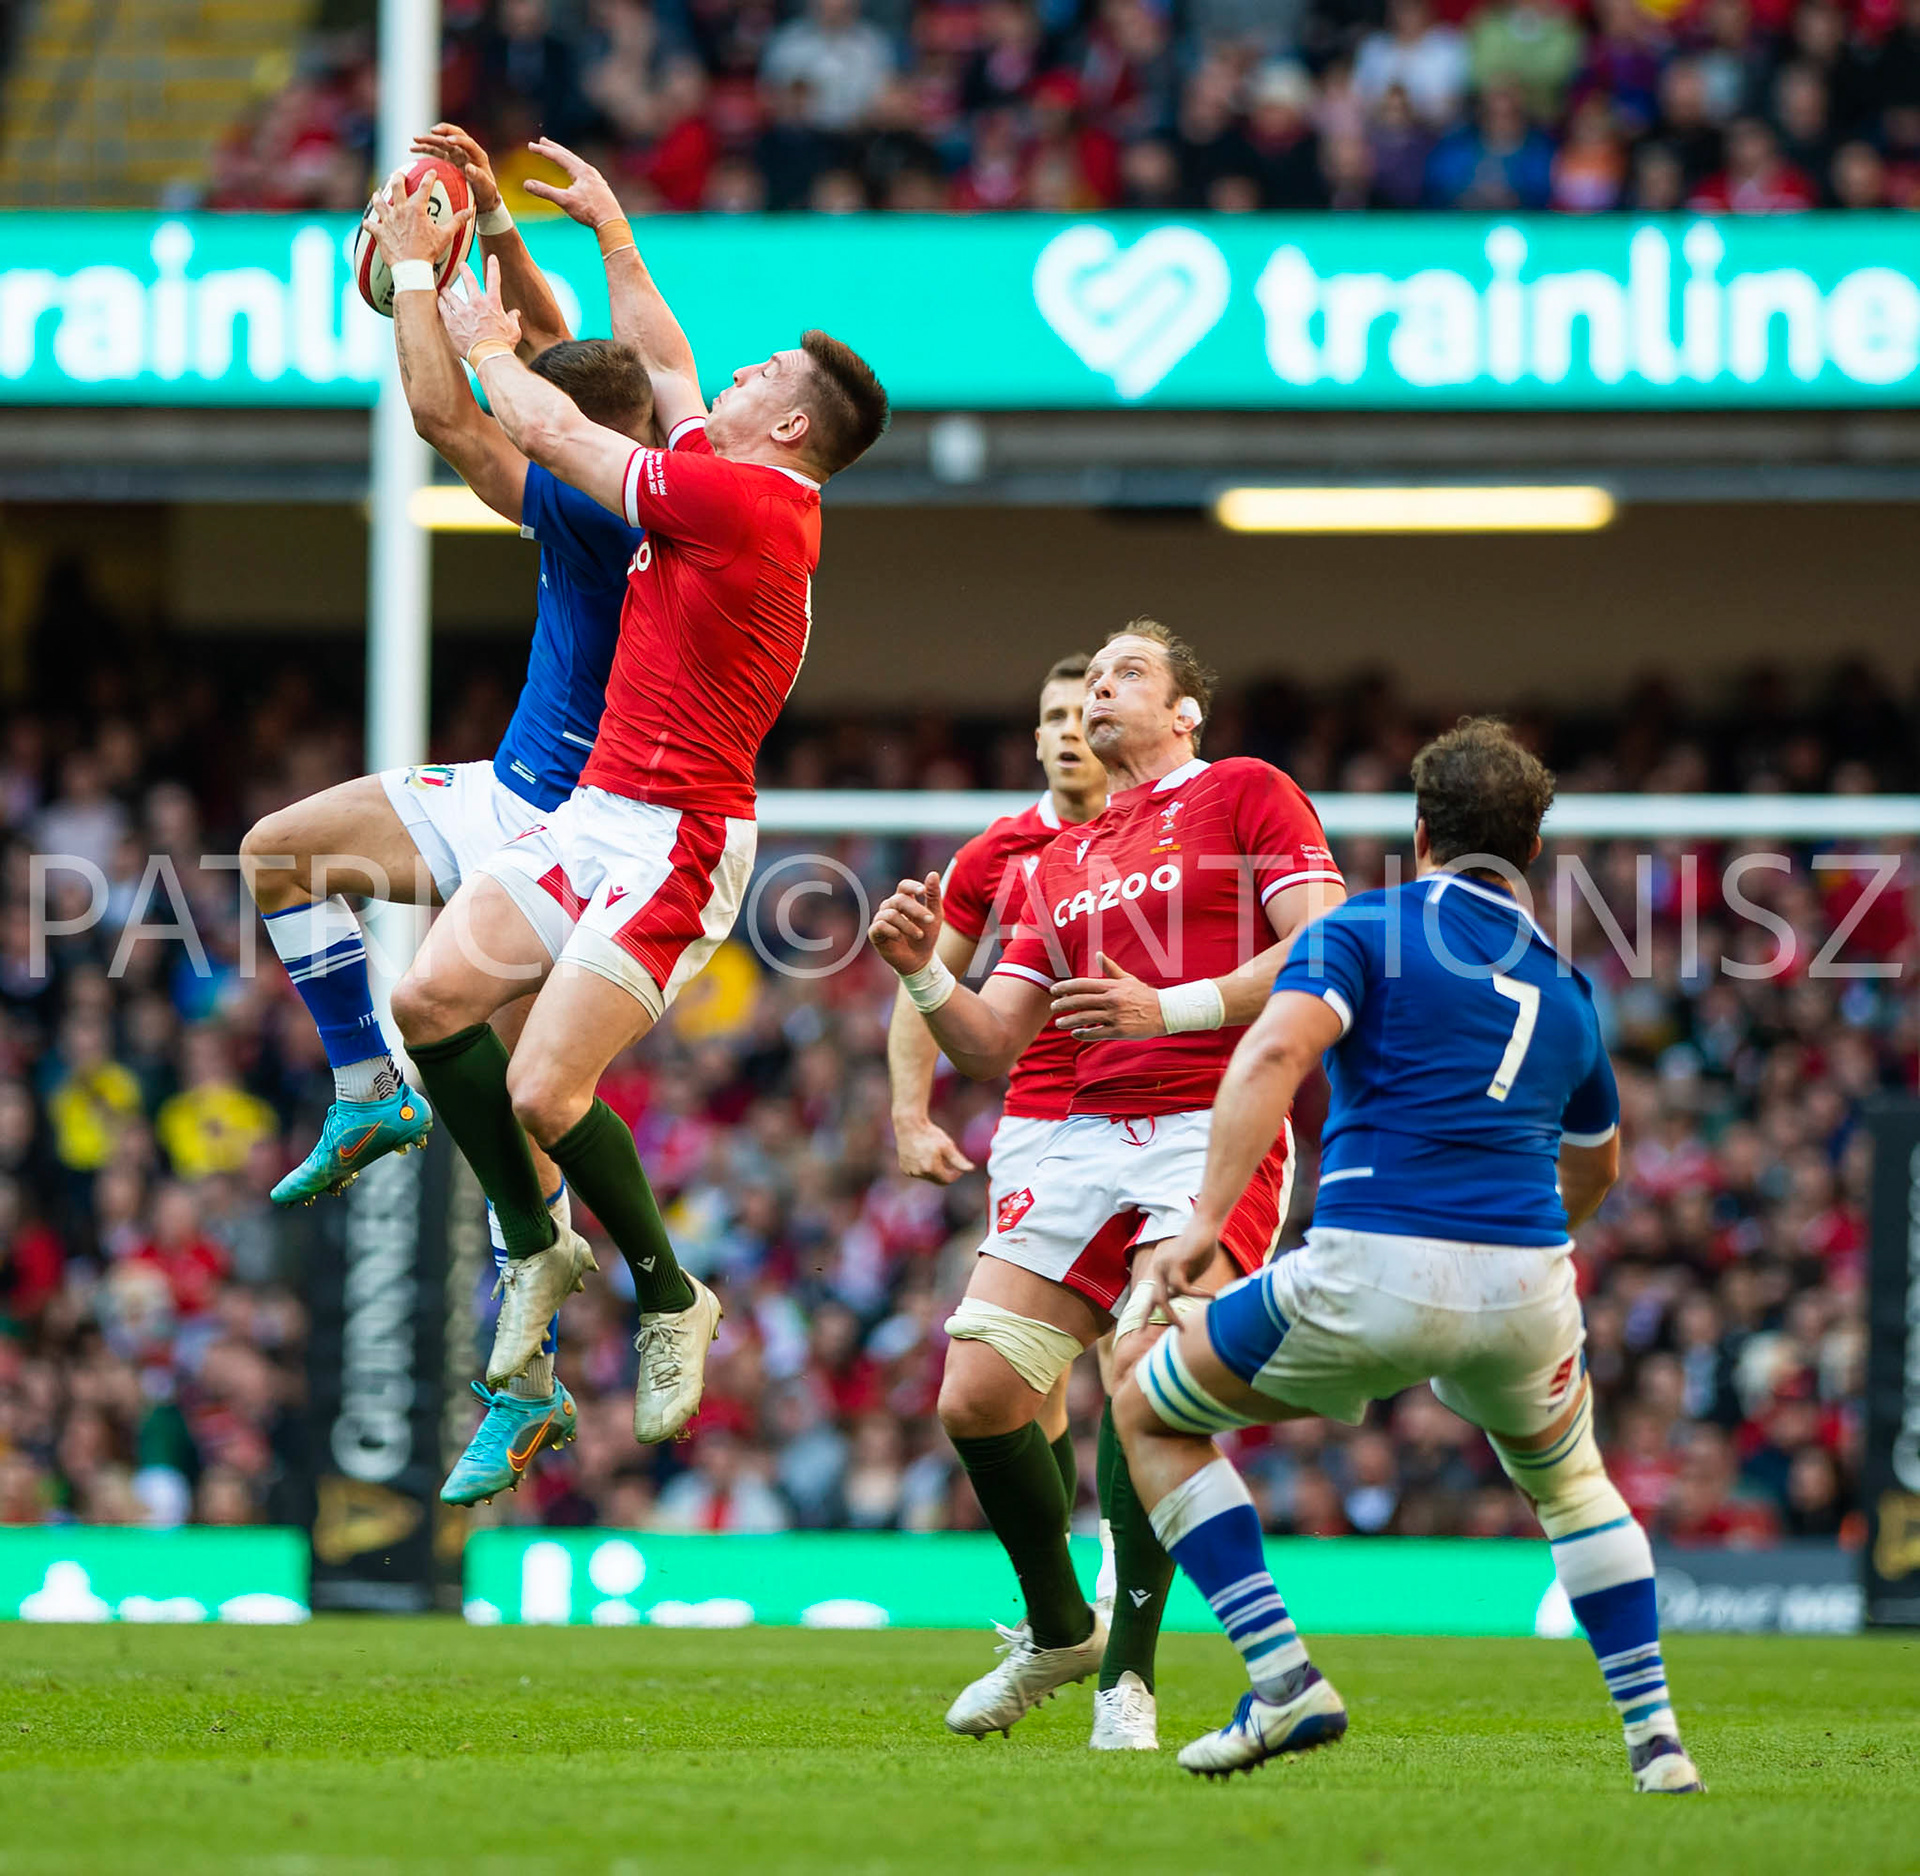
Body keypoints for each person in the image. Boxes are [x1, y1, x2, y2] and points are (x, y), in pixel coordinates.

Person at [383, 138, 888, 1453]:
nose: (729, 371)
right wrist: (611, 232)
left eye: (764, 373)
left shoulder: (742, 507)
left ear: (788, 427)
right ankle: (539, 1247)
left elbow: (550, 425)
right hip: (598, 810)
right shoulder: (743, 474)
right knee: (430, 1000)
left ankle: (671, 1294)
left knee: (550, 1095)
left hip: (679, 842)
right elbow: (660, 361)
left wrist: (473, 324)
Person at [1114, 718, 1704, 1795]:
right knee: (1575, 1486)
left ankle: (1283, 1676)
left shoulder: (1366, 928)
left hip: (1372, 1262)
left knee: (1145, 1404)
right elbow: (1601, 1167)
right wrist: (1524, 1240)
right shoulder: (1570, 990)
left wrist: (1204, 1221)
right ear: (1529, 849)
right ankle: (1658, 1742)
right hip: (1528, 1279)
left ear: (1420, 829)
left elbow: (1280, 1048)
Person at [240, 131, 654, 1507]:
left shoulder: (605, 510)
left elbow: (451, 418)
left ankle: (524, 1391)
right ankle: (365, 1093)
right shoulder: (636, 447)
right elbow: (545, 360)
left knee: (515, 1138)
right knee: (277, 855)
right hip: (508, 788)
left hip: (578, 836)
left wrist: (422, 272)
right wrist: (503, 238)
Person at [868, 618, 1344, 1747]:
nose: (1096, 692)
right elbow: (988, 1042)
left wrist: (1165, 1008)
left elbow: (1326, 945)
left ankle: (1146, 1677)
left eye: (1126, 673)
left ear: (1186, 712)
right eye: (1087, 679)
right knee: (975, 1397)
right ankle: (1063, 1627)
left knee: (1143, 1376)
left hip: (1210, 1123)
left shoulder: (1245, 791)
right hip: (1081, 1132)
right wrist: (922, 970)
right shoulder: (1058, 861)